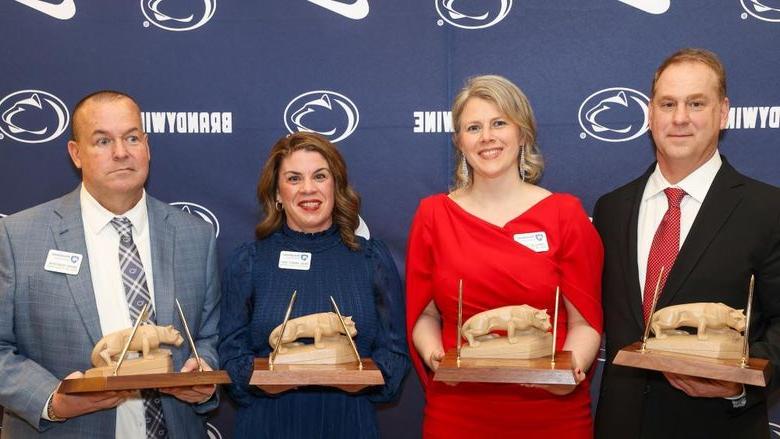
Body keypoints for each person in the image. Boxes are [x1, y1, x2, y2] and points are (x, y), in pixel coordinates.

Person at [0, 90, 220, 438]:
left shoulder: (196, 237)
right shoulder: (16, 237)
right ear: (75, 153)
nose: (121, 152)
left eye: (132, 137)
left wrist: (203, 372)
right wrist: (51, 400)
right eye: (103, 141)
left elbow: (209, 335)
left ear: (146, 146)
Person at [594, 48, 780, 438]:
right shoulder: (611, 210)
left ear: (723, 112)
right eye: (668, 103)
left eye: (696, 103)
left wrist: (738, 385)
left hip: (720, 426)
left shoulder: (768, 209)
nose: (680, 118)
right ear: (650, 113)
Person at [406, 75, 604, 438]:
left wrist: (569, 369)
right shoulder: (433, 215)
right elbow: (424, 314)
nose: (487, 137)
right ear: (459, 141)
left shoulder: (565, 214)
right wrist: (435, 356)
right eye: (473, 127)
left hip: (551, 409)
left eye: (499, 123)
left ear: (523, 132)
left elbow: (584, 322)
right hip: (458, 410)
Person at [218, 132, 409, 438]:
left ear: (336, 185)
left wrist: (365, 378)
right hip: (267, 426)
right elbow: (229, 353)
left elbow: (396, 355)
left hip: (349, 424)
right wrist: (263, 378)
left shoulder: (371, 258)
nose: (308, 189)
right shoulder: (250, 261)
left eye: (319, 176)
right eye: (294, 178)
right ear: (277, 194)